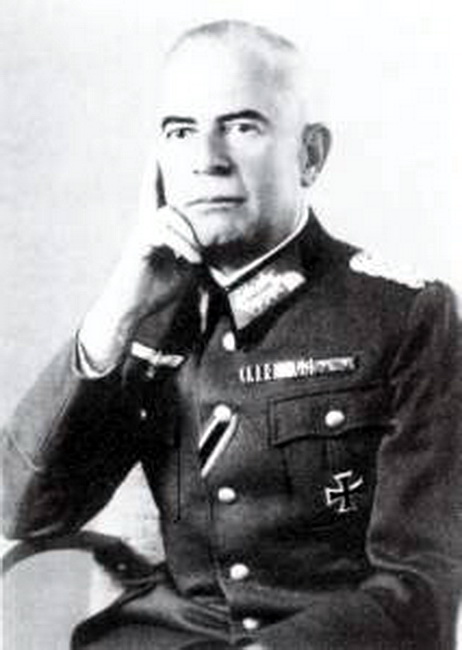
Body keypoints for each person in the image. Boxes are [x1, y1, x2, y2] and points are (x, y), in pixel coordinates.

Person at [2, 19, 462, 650]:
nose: (206, 160)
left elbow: (420, 588)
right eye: (180, 132)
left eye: (242, 127)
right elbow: (24, 512)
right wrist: (114, 311)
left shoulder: (404, 315)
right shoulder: (148, 313)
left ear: (310, 155)